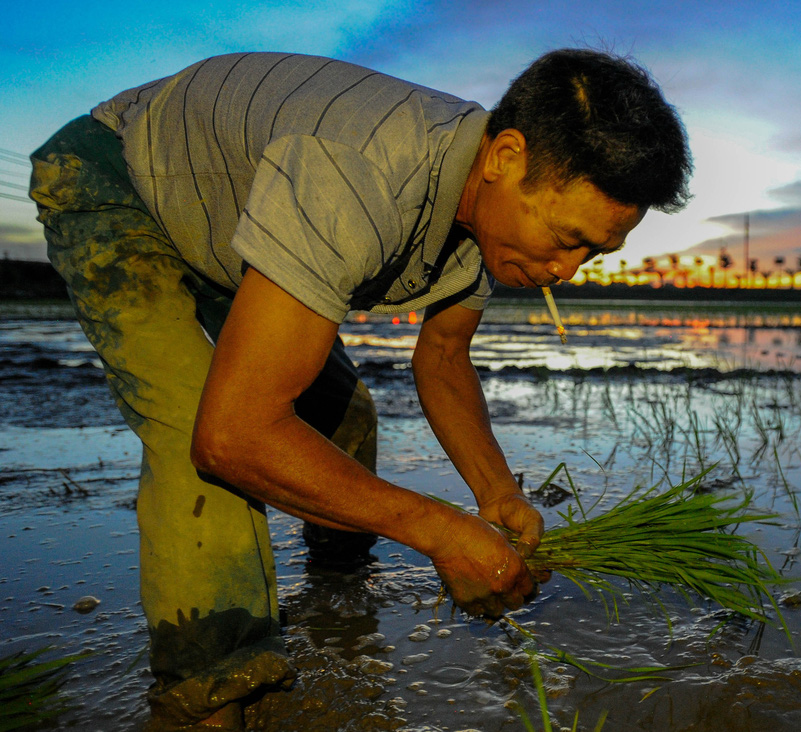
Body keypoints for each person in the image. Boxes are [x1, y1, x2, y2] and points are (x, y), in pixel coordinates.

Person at [29, 49, 691, 729]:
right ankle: (208, 699)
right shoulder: (360, 169)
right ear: (505, 158)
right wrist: (440, 533)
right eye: (565, 239)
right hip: (123, 183)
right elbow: (233, 437)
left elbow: (442, 357)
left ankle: (334, 596)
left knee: (344, 416)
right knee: (199, 437)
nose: (566, 271)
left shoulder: (484, 210)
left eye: (593, 253)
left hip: (231, 233)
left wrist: (496, 494)